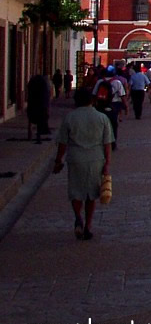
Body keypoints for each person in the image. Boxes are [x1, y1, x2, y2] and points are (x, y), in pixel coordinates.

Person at [53, 89, 113, 241]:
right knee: (91, 195)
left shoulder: (70, 118)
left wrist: (58, 160)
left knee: (76, 191)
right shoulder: (102, 118)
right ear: (92, 101)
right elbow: (107, 144)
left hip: (75, 159)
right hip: (95, 160)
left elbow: (62, 143)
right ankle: (88, 226)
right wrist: (107, 164)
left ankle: (78, 217)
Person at [95, 80, 120, 152]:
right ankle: (112, 144)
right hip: (109, 108)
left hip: (100, 108)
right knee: (113, 125)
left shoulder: (100, 83)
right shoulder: (112, 85)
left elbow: (95, 95)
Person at [26, 73, 52, 142]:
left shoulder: (32, 84)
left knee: (32, 122)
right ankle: (38, 135)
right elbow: (46, 98)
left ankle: (31, 136)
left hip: (33, 107)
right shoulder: (44, 86)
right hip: (41, 107)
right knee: (40, 122)